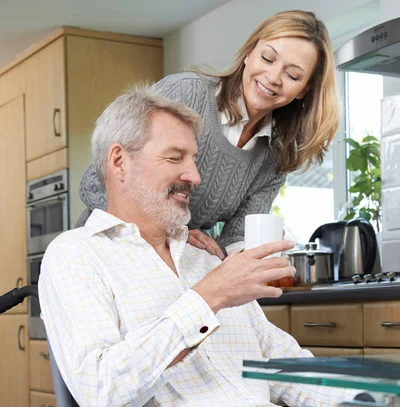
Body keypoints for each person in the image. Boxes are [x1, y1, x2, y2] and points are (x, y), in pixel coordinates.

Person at [39, 86, 381, 407]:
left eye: (194, 160)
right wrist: (207, 299)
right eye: (174, 157)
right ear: (119, 161)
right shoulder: (76, 257)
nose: (195, 177)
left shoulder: (205, 258)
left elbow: (280, 363)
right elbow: (103, 392)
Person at [78, 9, 339, 257]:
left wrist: (252, 252)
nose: (272, 77)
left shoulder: (274, 157)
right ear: (249, 52)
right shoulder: (184, 94)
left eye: (293, 75)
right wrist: (174, 234)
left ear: (304, 90)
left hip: (175, 266)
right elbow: (93, 184)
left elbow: (234, 242)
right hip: (105, 249)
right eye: (268, 59)